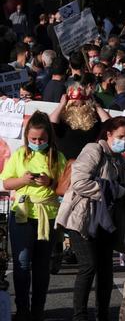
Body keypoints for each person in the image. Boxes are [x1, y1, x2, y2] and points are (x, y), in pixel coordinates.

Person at [55, 116, 125, 321]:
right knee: (88, 265)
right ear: (108, 134)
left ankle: (103, 314)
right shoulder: (93, 150)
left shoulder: (122, 162)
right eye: (120, 136)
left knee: (106, 270)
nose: (124, 141)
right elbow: (79, 182)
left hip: (107, 222)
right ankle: (79, 316)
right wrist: (110, 189)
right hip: (82, 219)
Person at [2, 112, 67, 321]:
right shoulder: (20, 154)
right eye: (33, 139)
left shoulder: (58, 157)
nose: (38, 143)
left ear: (49, 137)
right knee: (21, 264)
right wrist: (23, 180)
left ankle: (38, 310)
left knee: (41, 266)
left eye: (42, 139)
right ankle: (22, 309)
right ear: (27, 138)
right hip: (22, 214)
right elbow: (7, 183)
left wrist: (50, 183)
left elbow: (65, 187)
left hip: (47, 216)